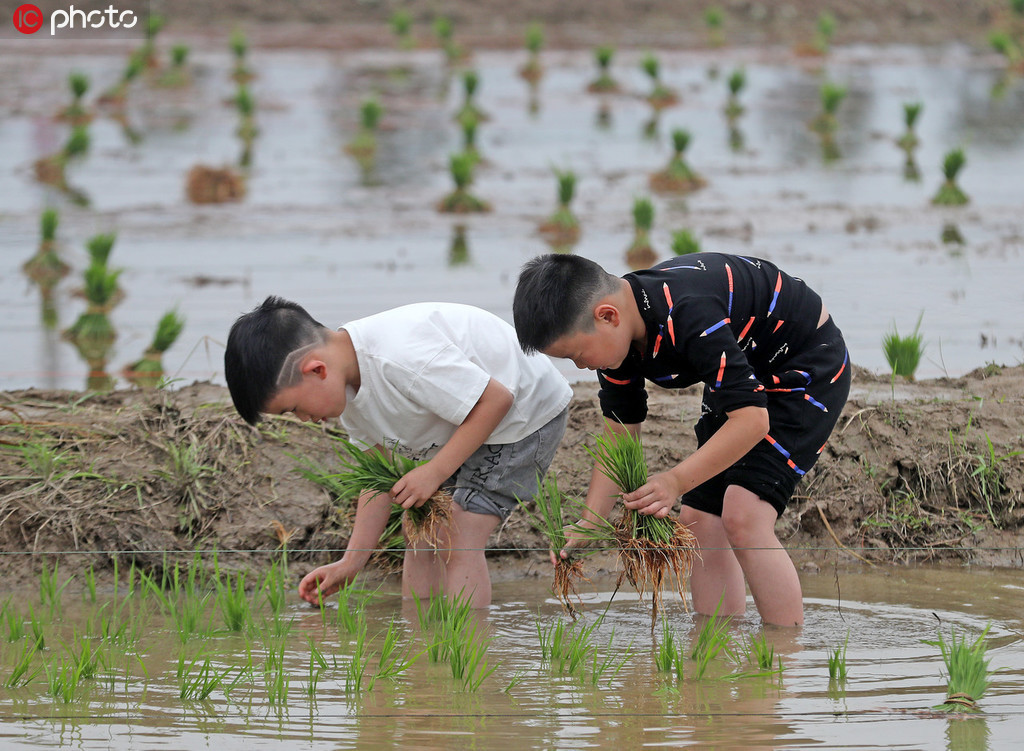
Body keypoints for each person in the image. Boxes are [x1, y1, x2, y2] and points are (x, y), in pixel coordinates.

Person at [513, 253, 850, 626]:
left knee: (744, 516)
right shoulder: (617, 344)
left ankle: (784, 659)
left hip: (803, 365)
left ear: (607, 316)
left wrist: (674, 481)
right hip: (741, 368)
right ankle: (714, 653)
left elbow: (753, 420)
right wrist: (592, 521)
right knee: (699, 519)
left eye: (577, 355)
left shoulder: (688, 314)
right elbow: (619, 434)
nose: (581, 367)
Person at [224, 296, 571, 609]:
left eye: (294, 408)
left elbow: (497, 399)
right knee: (420, 525)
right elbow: (378, 479)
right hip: (467, 419)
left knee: (459, 533)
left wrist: (434, 472)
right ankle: (420, 644)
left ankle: (467, 653)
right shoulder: (347, 394)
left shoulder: (399, 356)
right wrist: (352, 562)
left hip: (524, 414)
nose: (304, 419)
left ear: (316, 370)